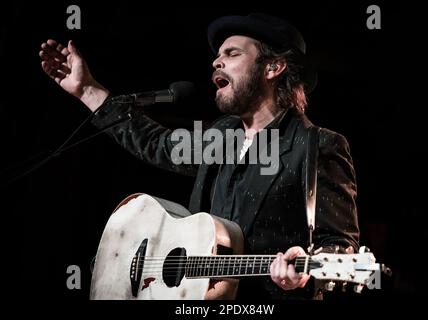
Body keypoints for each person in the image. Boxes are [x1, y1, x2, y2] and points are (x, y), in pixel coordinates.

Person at [39, 13, 359, 300]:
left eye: (231, 53)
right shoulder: (221, 135)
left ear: (274, 67)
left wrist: (302, 270)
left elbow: (342, 246)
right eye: (217, 55)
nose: (216, 62)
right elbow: (156, 143)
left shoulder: (317, 145)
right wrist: (86, 90)